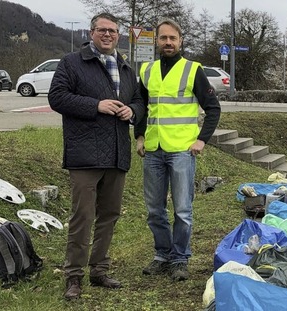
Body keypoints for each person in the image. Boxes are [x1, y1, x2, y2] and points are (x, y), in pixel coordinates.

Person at [48, 12, 146, 300]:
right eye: (102, 30)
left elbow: (139, 100)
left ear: (119, 35)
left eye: (113, 31)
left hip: (117, 154)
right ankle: (74, 277)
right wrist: (96, 105)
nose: (108, 35)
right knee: (83, 217)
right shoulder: (72, 63)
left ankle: (99, 270)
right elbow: (57, 97)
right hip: (85, 155)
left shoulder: (126, 67)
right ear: (91, 33)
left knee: (110, 215)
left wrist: (134, 111)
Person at [134, 18, 221, 282]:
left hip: (182, 150)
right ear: (157, 41)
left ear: (180, 41)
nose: (168, 43)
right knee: (154, 209)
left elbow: (213, 108)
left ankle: (180, 258)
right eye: (163, 38)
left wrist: (201, 140)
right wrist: (138, 137)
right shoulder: (147, 71)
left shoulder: (192, 69)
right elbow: (141, 106)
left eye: (173, 38)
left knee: (183, 209)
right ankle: (162, 254)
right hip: (153, 149)